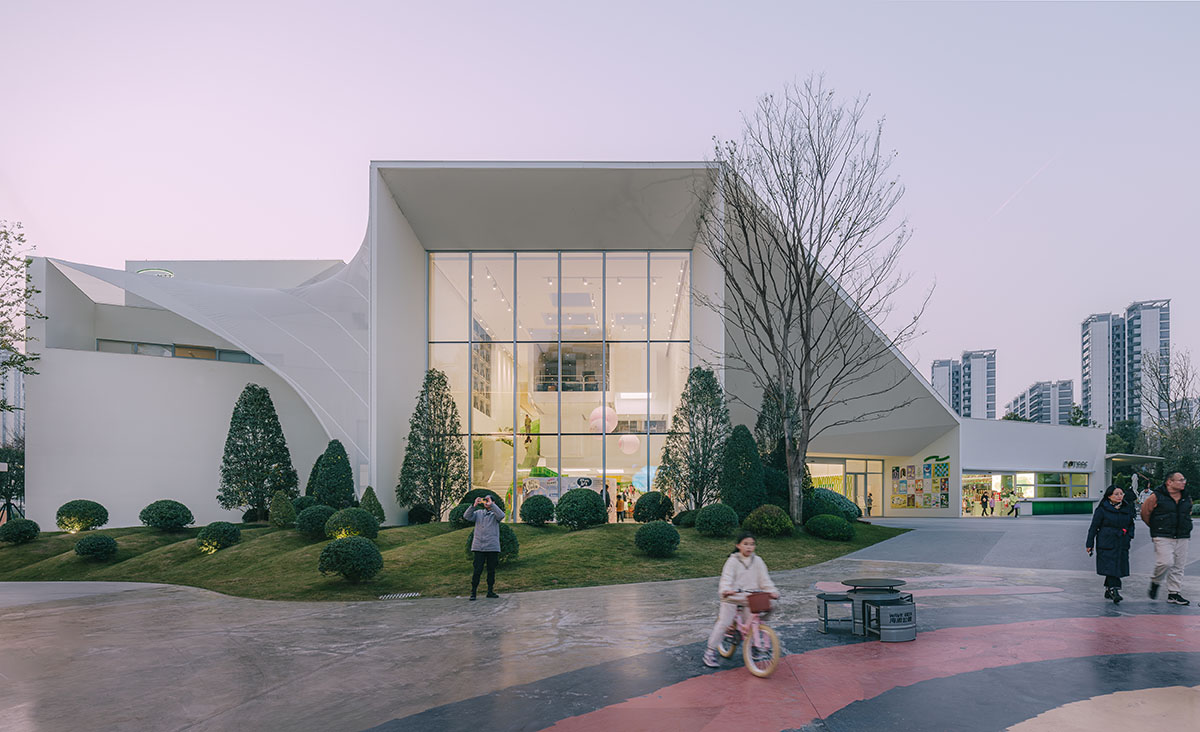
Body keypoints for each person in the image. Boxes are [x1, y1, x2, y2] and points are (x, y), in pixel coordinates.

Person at [703, 531, 780, 668]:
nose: (749, 547)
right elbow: (726, 578)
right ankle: (710, 652)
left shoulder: (758, 561)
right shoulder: (732, 561)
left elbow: (765, 580)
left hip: (749, 598)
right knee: (724, 623)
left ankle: (754, 646)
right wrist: (726, 590)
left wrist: (772, 592)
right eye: (745, 544)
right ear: (738, 545)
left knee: (764, 612)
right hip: (732, 598)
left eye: (752, 544)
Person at [1140, 471, 1193, 606]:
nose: (1184, 482)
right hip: (1162, 535)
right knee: (1165, 562)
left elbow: (1189, 512)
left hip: (1182, 535)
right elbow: (1145, 512)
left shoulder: (1186, 496)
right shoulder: (1156, 496)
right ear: (1169, 482)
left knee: (1178, 565)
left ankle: (1174, 593)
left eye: (1184, 479)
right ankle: (1155, 581)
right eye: (1180, 480)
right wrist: (1156, 527)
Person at [1086, 485, 1135, 603]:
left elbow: (1131, 524)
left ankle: (1108, 589)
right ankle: (1114, 589)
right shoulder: (1102, 509)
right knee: (1111, 565)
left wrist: (1129, 536)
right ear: (1109, 496)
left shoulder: (1127, 508)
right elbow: (1094, 527)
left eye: (1121, 494)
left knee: (1116, 565)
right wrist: (1089, 543)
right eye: (1116, 494)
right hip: (1106, 542)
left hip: (1122, 542)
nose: (1120, 496)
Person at [464, 494, 506, 600]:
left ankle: (490, 591)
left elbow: (501, 516)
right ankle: (473, 592)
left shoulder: (495, 514)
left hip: (492, 547)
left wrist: (492, 505)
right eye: (485, 500)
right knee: (477, 570)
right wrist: (473, 506)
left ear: (493, 502)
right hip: (479, 547)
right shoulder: (478, 513)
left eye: (489, 500)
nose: (487, 502)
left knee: (491, 570)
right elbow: (467, 516)